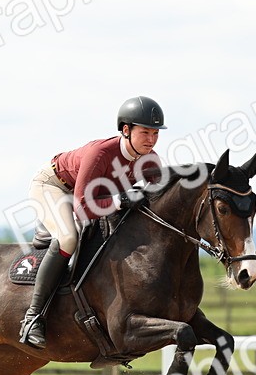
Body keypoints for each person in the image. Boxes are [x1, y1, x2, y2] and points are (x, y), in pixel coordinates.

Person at [18, 95, 166, 348]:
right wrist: (120, 201)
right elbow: (83, 208)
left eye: (155, 133)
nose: (151, 140)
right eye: (145, 133)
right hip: (55, 186)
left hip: (90, 195)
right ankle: (32, 318)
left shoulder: (150, 160)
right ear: (126, 130)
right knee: (68, 238)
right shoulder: (100, 154)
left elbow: (157, 199)